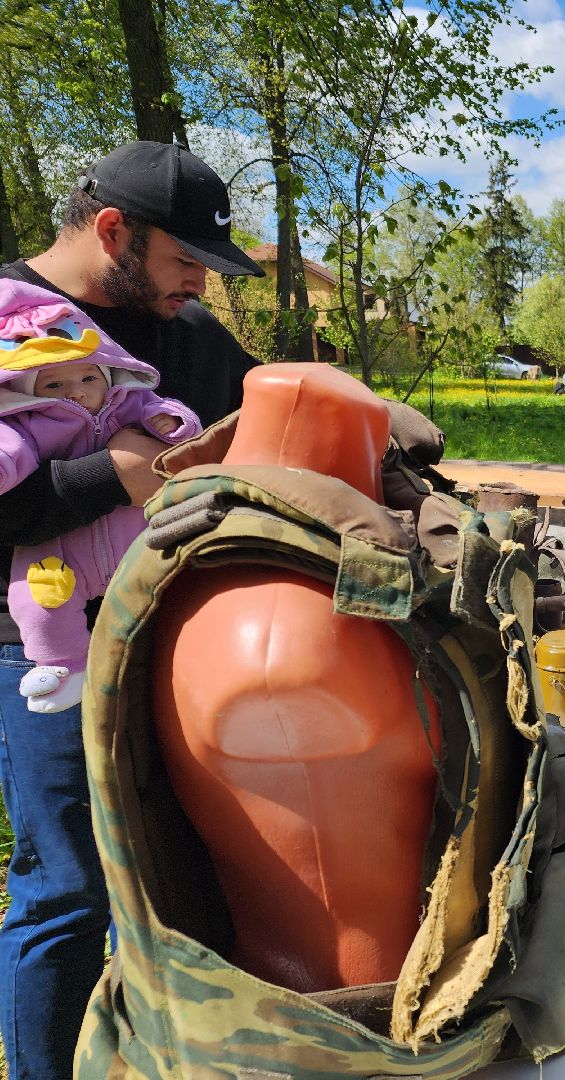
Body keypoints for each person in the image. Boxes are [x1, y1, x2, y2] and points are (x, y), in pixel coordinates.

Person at [0, 141, 262, 1080]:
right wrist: (109, 478)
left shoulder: (185, 328)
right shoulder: (12, 319)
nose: (199, 282)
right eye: (185, 259)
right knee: (67, 889)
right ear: (113, 230)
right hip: (44, 649)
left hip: (171, 631)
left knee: (171, 869)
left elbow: (262, 405)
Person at [0, 280, 202, 714]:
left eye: (88, 377)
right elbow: (10, 453)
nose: (77, 391)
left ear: (108, 373)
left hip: (139, 539)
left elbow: (167, 411)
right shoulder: (26, 424)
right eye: (54, 385)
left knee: (172, 591)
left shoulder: (125, 401)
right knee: (38, 597)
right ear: (25, 392)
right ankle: (63, 666)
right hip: (61, 553)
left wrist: (174, 423)